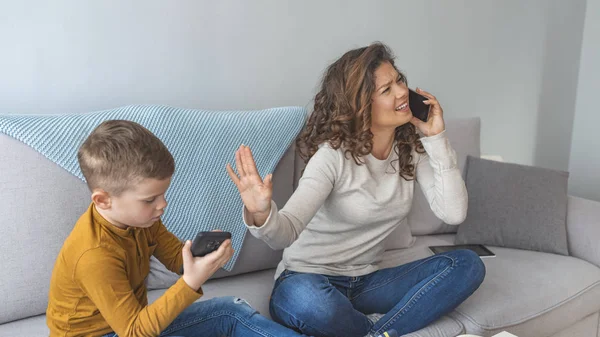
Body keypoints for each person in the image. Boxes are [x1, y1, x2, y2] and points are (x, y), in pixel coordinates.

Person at [226, 42, 486, 337]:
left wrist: (436, 138)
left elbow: (453, 213)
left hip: (367, 282)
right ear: (361, 104)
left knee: (466, 264)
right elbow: (286, 231)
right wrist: (262, 213)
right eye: (386, 90)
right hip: (307, 279)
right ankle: (382, 331)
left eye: (399, 80)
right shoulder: (332, 157)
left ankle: (378, 333)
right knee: (311, 305)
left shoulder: (409, 148)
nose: (402, 92)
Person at [46, 120, 311, 337]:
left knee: (230, 311)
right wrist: (191, 282)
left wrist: (205, 255)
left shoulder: (141, 221)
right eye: (150, 199)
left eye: (162, 194)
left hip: (132, 327)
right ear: (103, 200)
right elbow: (135, 330)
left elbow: (177, 259)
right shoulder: (94, 255)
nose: (163, 204)